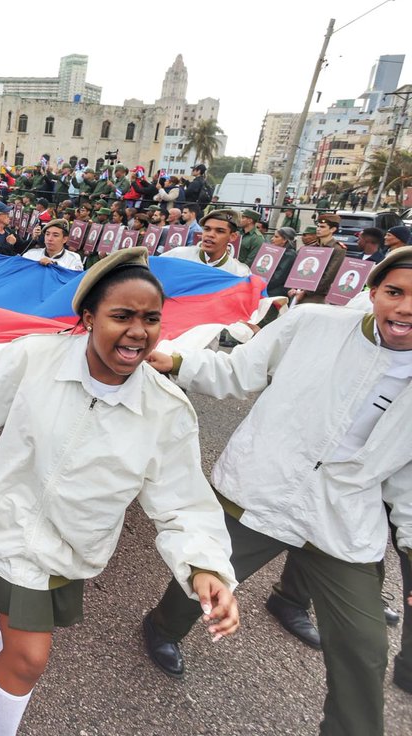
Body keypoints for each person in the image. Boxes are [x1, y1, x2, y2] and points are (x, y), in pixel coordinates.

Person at [0, 248, 238, 736]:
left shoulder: (166, 410)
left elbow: (181, 500)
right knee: (29, 658)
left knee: (13, 636)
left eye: (151, 319)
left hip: (76, 550)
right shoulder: (34, 357)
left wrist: (204, 565)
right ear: (88, 317)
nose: (138, 331)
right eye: (122, 315)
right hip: (12, 530)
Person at [143, 246, 412, 735]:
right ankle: (161, 628)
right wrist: (177, 360)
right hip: (261, 485)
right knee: (202, 579)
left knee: (365, 646)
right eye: (395, 292)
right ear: (373, 292)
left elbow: (408, 479)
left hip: (341, 520)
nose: (406, 308)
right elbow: (239, 369)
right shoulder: (312, 323)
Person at [165, 209, 251, 277]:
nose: (210, 235)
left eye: (220, 231)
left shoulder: (240, 273)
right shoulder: (178, 255)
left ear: (233, 236)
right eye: (207, 229)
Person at [289, 213, 346, 305]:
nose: (318, 229)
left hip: (316, 295)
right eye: (318, 226)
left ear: (333, 229)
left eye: (322, 227)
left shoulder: (338, 249)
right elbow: (297, 270)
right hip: (298, 291)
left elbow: (328, 278)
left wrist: (305, 292)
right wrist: (293, 287)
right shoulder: (311, 247)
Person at [263, 227, 299, 298]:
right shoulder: (276, 252)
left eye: (276, 237)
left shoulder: (289, 255)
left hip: (278, 290)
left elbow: (278, 277)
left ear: (285, 240)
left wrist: (261, 285)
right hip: (270, 285)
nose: (272, 239)